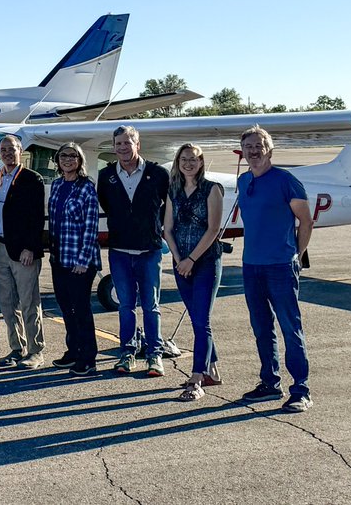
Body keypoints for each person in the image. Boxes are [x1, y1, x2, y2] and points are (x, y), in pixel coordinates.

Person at [236, 125, 314, 413]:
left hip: (281, 266)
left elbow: (305, 221)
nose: (254, 151)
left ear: (269, 149)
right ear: (242, 152)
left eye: (259, 146)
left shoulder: (286, 181)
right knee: (261, 328)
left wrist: (297, 254)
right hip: (251, 266)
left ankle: (301, 389)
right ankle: (270, 382)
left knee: (290, 328)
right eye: (249, 147)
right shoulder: (244, 182)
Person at [98, 125, 170, 377]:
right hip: (119, 250)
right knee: (125, 305)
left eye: (127, 143)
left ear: (137, 144)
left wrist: (153, 226)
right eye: (118, 144)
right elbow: (107, 204)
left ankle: (154, 354)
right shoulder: (106, 176)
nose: (123, 148)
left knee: (151, 305)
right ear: (113, 146)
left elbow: (166, 205)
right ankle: (127, 352)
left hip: (148, 250)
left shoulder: (158, 173)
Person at [163, 143, 224, 402]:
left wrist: (191, 259)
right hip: (181, 263)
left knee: (202, 321)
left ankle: (197, 377)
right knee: (197, 319)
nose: (188, 163)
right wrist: (179, 259)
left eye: (194, 159)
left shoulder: (212, 190)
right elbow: (167, 228)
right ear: (178, 162)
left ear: (201, 163)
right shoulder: (173, 191)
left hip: (206, 261)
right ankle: (213, 369)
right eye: (184, 159)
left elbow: (213, 230)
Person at [0, 134, 46, 370]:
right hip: (1, 248)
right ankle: (16, 347)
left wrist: (30, 248)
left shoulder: (32, 179)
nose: (7, 153)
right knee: (7, 301)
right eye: (3, 149)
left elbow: (36, 217)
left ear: (20, 151)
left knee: (29, 301)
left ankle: (36, 350)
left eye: (12, 149)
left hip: (23, 250)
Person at [48, 142, 103, 377]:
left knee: (80, 309)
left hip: (80, 261)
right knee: (65, 307)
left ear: (80, 160)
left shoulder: (86, 188)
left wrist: (82, 260)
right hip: (59, 257)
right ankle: (73, 350)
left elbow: (91, 227)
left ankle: (88, 357)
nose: (67, 160)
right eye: (63, 156)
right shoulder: (58, 185)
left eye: (72, 156)